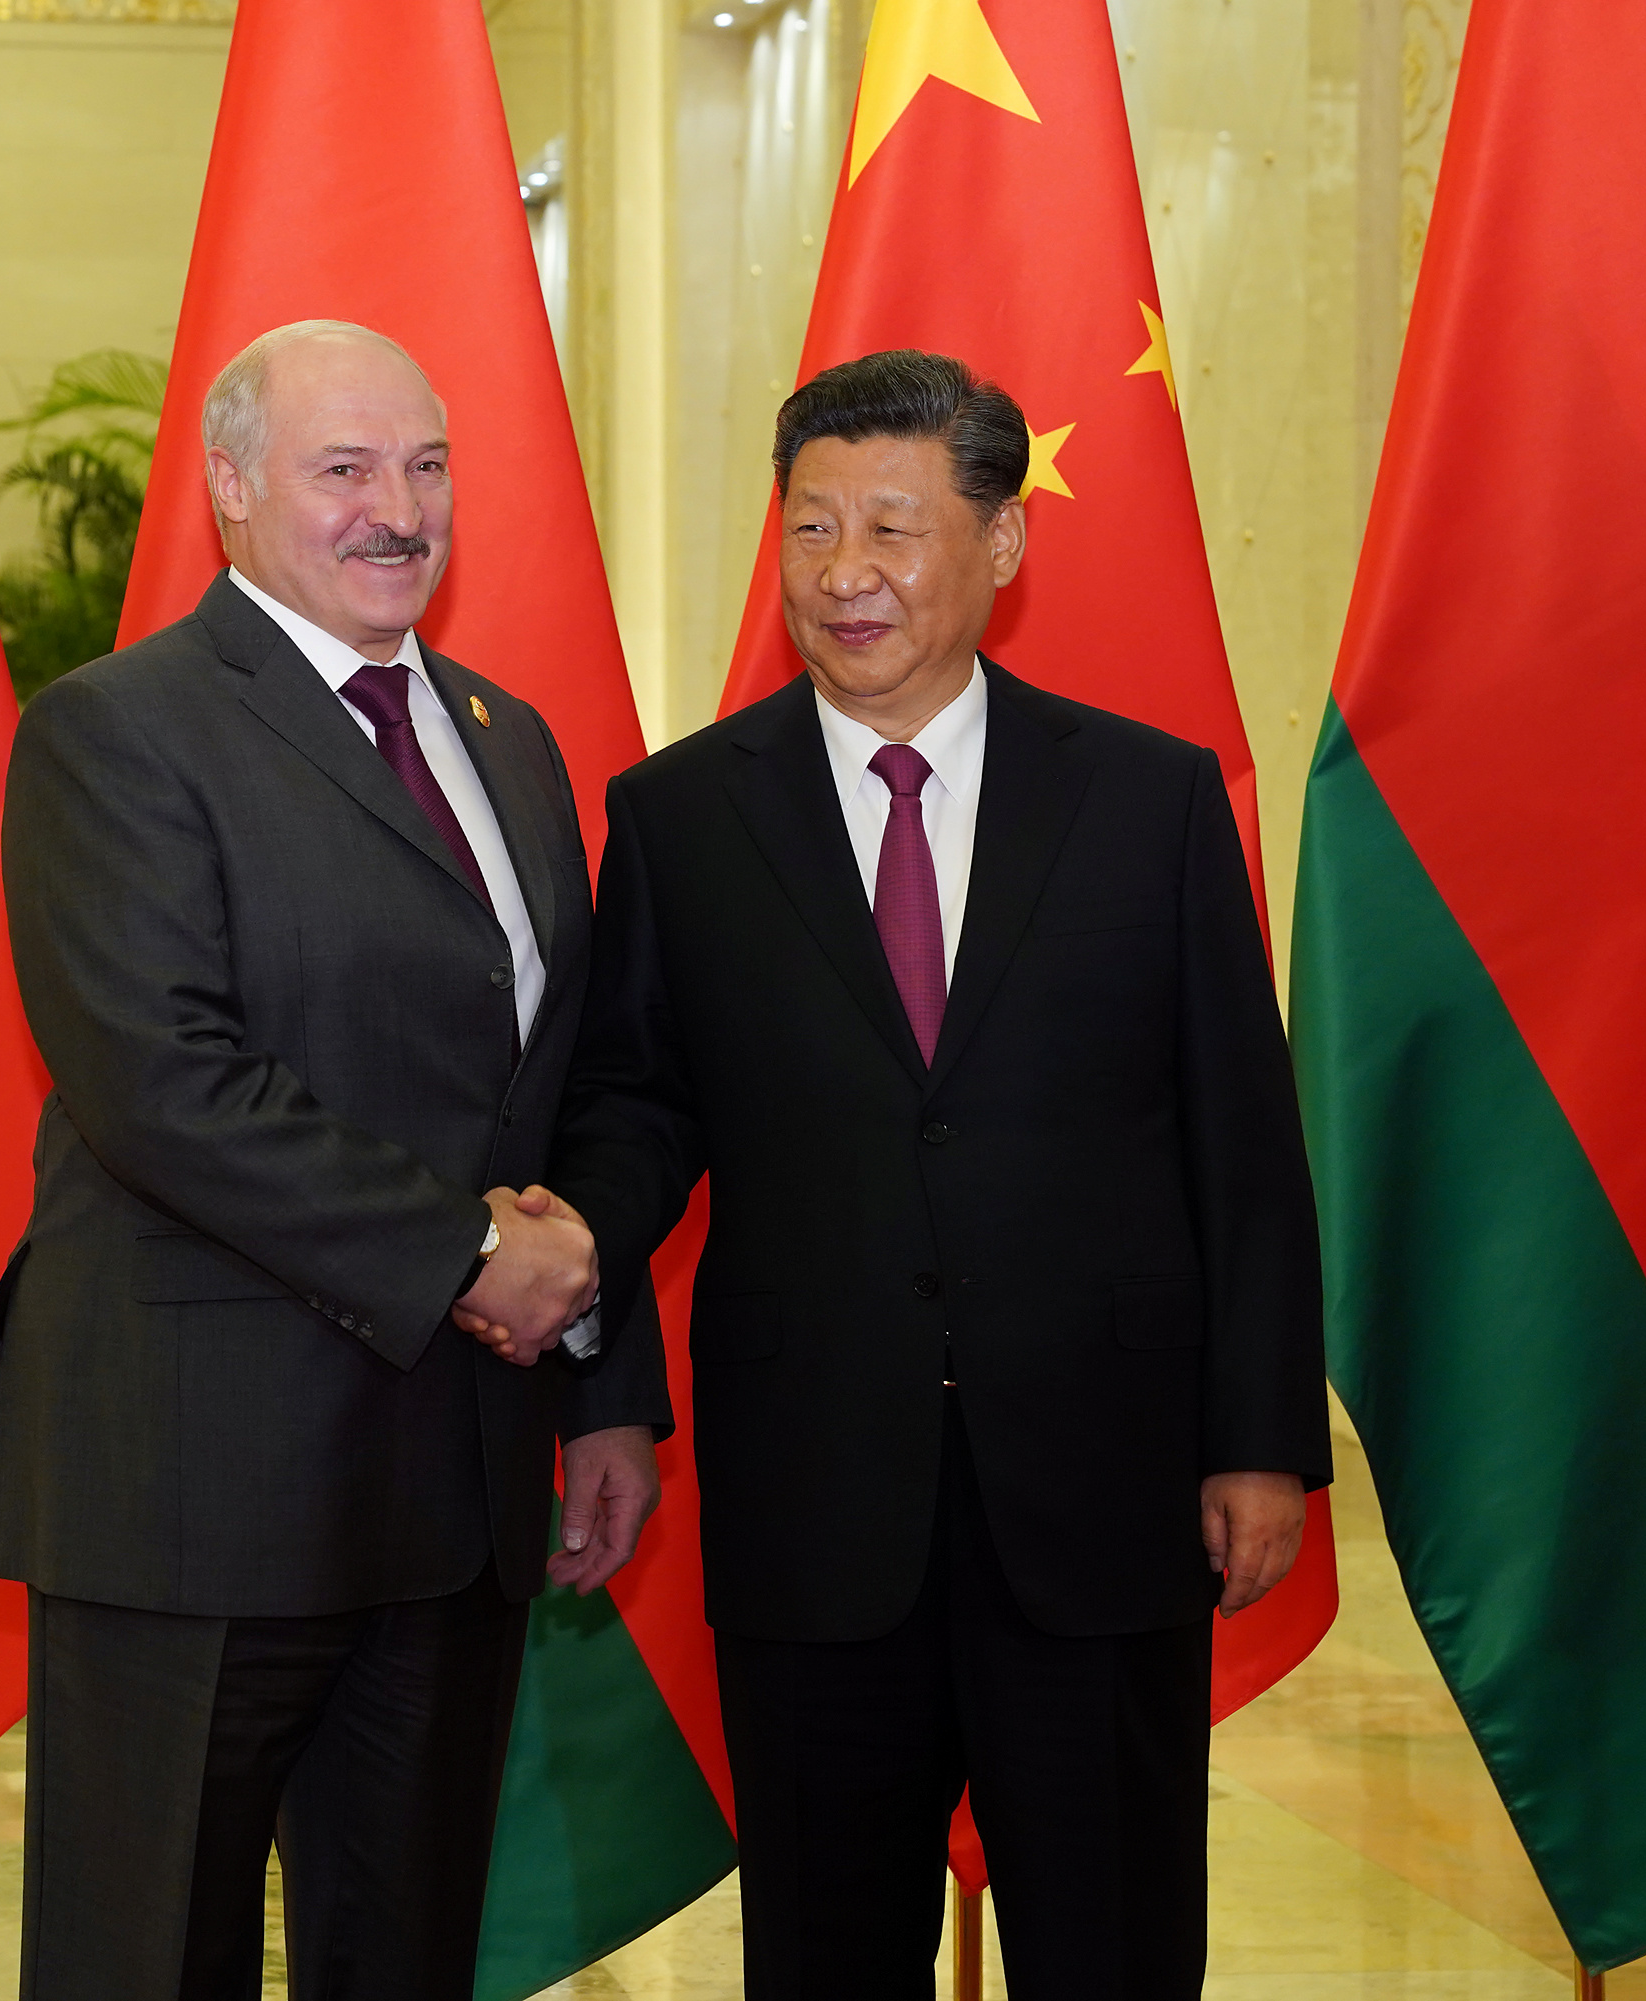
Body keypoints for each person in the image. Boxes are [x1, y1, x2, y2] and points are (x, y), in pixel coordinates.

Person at [536, 349, 1329, 1998]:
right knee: (827, 1946)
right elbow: (628, 1111)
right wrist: (592, 1363)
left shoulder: (1150, 800)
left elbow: (1243, 1146)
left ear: (1003, 543)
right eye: (811, 528)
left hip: (1100, 1487)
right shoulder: (683, 817)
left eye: (893, 528)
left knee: (1109, 1938)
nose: (845, 575)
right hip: (815, 1490)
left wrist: (1261, 1437)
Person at [0, 318, 666, 2001]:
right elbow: (163, 1083)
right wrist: (462, 1257)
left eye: (426, 466)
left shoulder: (508, 739)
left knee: (406, 1956)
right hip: (198, 1489)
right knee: (149, 1958)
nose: (396, 509)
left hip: (456, 1491)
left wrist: (599, 1379)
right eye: (343, 468)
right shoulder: (114, 731)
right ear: (229, 487)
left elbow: (553, 1088)